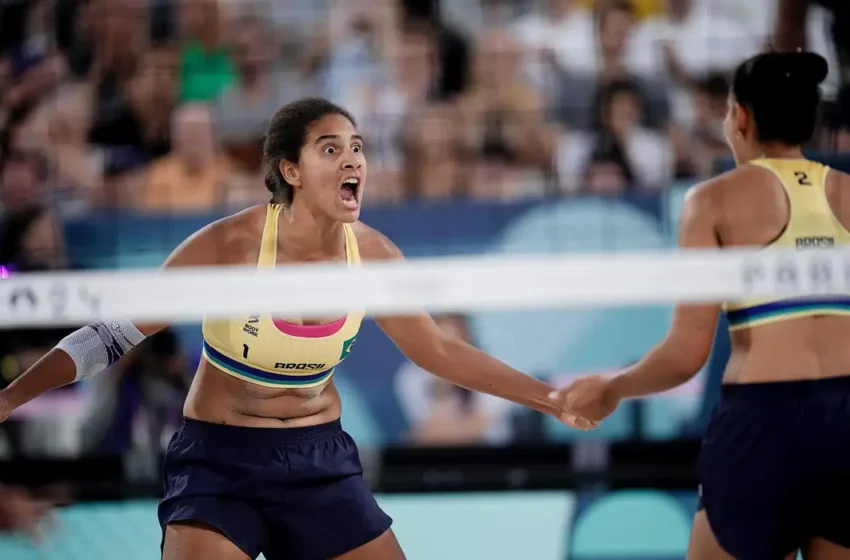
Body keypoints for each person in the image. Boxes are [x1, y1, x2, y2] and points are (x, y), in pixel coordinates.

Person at [0, 98, 588, 560]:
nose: (353, 159)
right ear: (292, 170)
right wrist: (8, 398)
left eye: (357, 148)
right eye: (331, 149)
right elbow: (109, 336)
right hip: (221, 462)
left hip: (319, 460)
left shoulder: (375, 256)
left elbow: (439, 352)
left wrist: (550, 398)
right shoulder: (229, 245)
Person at [552, 51, 850, 560]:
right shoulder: (847, 192)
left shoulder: (712, 200)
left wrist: (613, 387)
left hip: (766, 421)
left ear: (741, 118)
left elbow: (687, 355)